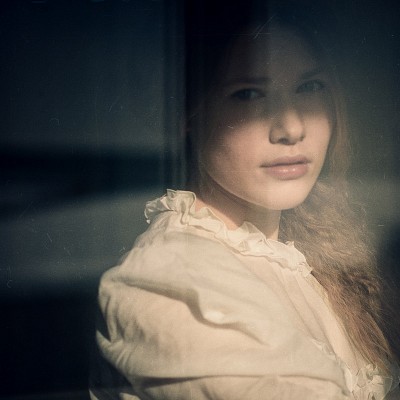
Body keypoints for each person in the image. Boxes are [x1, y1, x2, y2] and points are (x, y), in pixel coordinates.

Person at [90, 1, 400, 398]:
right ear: (189, 114)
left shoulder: (310, 254)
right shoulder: (169, 283)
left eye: (309, 88)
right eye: (249, 94)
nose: (291, 127)